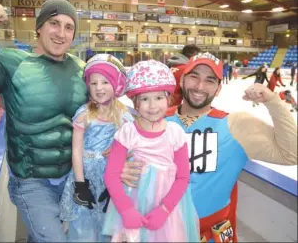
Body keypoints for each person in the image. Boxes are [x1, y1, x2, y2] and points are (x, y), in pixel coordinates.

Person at [121, 52, 297, 242]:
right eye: (194, 77)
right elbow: (122, 164)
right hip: (158, 231)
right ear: (182, 81)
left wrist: (272, 101)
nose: (199, 86)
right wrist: (123, 169)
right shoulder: (153, 119)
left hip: (210, 234)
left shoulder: (237, 125)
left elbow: (290, 154)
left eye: (209, 80)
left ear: (218, 88)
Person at [0, 0, 88, 242]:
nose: (61, 33)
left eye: (69, 27)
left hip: (72, 178)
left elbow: (106, 118)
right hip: (31, 181)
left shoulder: (82, 69)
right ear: (39, 27)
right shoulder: (12, 63)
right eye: (54, 23)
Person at [102, 60, 200, 242]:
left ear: (168, 99)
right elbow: (111, 175)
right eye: (145, 99)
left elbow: (183, 177)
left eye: (159, 98)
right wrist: (126, 210)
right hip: (133, 204)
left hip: (168, 210)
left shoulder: (175, 133)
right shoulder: (127, 132)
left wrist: (164, 209)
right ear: (136, 104)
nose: (153, 106)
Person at [59, 54, 133, 242]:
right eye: (94, 83)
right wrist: (80, 183)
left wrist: (120, 154)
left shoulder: (123, 115)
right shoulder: (84, 114)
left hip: (111, 176)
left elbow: (133, 147)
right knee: (83, 225)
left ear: (115, 84)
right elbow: (76, 151)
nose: (99, 88)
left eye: (105, 82)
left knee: (109, 224)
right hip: (86, 175)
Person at [166, 45, 200, 116]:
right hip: (170, 110)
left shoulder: (170, 67)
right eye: (197, 56)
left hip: (160, 105)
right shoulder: (186, 70)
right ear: (192, 56)